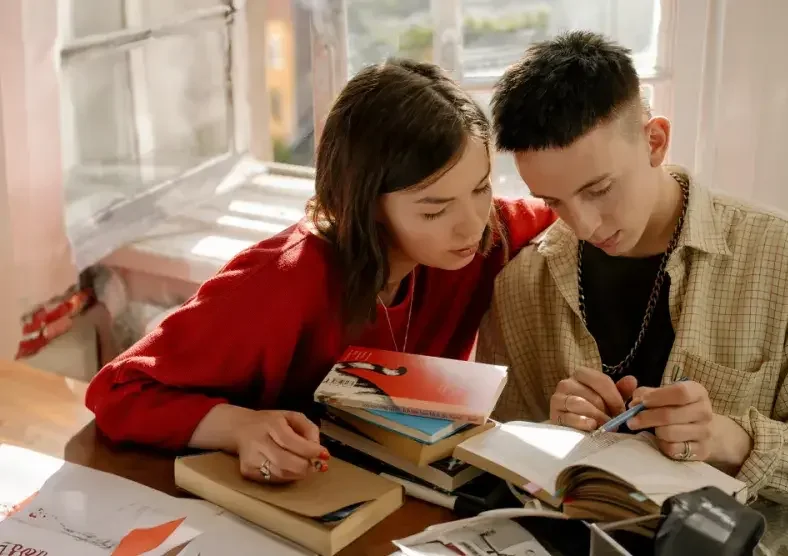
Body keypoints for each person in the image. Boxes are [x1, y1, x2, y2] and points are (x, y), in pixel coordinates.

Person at [475, 31, 788, 556]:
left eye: (598, 189)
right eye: (553, 200)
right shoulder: (523, 284)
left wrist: (729, 440)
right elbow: (507, 471)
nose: (582, 223)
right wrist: (553, 437)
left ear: (655, 141)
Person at [84, 59, 556, 484]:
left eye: (480, 188)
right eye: (434, 210)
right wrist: (238, 427)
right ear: (365, 204)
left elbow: (570, 212)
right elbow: (118, 391)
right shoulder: (280, 281)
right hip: (281, 497)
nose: (472, 224)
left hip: (401, 491)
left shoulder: (487, 231)